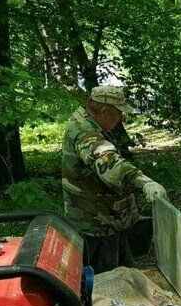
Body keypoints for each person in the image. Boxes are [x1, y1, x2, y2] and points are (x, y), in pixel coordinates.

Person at [62, 86, 167, 273]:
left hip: (108, 221)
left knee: (127, 275)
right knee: (107, 285)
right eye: (118, 114)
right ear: (104, 111)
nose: (120, 119)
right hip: (97, 226)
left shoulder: (90, 122)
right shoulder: (85, 133)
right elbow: (109, 164)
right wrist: (143, 181)